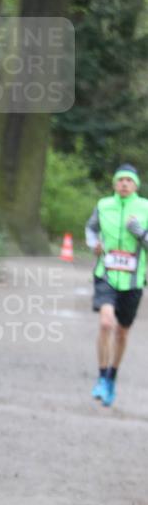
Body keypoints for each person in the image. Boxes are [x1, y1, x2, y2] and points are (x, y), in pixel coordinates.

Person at [85, 163, 148, 407]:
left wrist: (139, 232)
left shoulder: (144, 207)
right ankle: (101, 377)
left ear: (136, 185)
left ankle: (112, 376)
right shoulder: (103, 205)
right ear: (114, 184)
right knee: (105, 323)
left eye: (128, 180)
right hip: (106, 274)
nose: (124, 183)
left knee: (122, 332)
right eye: (120, 179)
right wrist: (94, 245)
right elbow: (91, 229)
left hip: (133, 281)